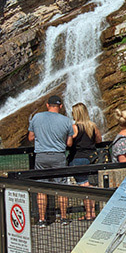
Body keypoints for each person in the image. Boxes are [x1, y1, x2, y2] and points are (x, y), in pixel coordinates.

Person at [28, 94, 74, 227]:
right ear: (60, 106)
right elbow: (69, 143)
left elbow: (31, 137)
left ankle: (42, 219)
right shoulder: (66, 120)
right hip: (58, 155)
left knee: (41, 188)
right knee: (61, 186)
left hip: (41, 156)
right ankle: (64, 218)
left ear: (47, 105)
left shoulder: (36, 117)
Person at [68, 103, 102, 220]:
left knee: (83, 185)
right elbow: (99, 140)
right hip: (91, 158)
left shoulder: (74, 127)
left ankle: (89, 213)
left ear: (76, 113)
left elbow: (69, 143)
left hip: (78, 158)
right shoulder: (92, 126)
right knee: (89, 184)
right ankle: (92, 212)